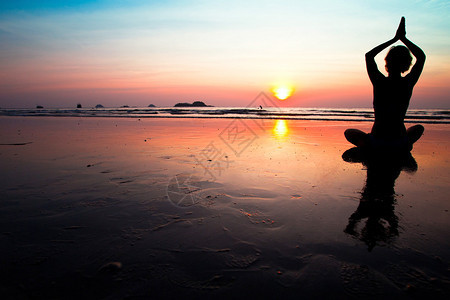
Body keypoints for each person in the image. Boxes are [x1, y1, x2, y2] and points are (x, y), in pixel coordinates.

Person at [345, 17, 426, 151]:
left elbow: (369, 56)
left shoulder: (379, 81)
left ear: (387, 61)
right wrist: (403, 38)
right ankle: (405, 144)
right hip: (400, 142)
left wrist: (394, 39)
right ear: (407, 64)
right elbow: (421, 57)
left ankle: (366, 145)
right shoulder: (407, 83)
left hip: (376, 142)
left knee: (349, 132)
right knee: (418, 128)